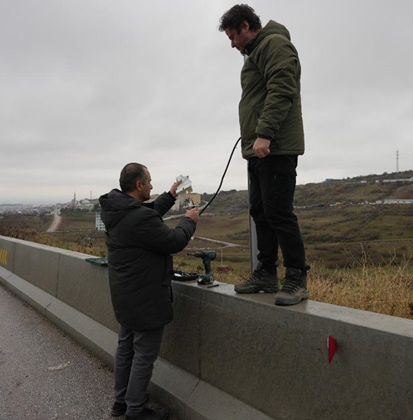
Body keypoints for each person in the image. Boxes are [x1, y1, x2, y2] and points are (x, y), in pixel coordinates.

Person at [218, 4, 310, 306]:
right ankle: (266, 273)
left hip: (276, 146)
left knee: (279, 212)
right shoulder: (255, 53)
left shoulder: (275, 44)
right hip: (257, 150)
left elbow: (282, 89)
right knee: (260, 211)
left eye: (233, 36)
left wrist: (265, 133)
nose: (232, 44)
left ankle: (296, 278)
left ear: (246, 26)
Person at [99, 163, 199, 420]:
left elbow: (149, 212)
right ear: (140, 185)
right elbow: (173, 242)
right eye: (150, 181)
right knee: (144, 355)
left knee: (126, 349)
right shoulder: (138, 218)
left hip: (125, 295)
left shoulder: (118, 211)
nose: (152, 186)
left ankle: (120, 402)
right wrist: (189, 222)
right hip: (146, 298)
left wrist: (172, 193)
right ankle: (135, 410)